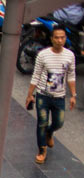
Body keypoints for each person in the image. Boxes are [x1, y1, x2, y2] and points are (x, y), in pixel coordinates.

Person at [26, 25, 77, 165]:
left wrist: (73, 95)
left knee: (58, 123)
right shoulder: (43, 55)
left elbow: (71, 76)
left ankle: (50, 132)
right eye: (57, 37)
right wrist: (30, 94)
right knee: (41, 123)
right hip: (43, 95)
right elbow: (36, 75)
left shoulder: (69, 55)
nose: (60, 40)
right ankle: (42, 150)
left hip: (60, 96)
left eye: (62, 38)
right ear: (51, 38)